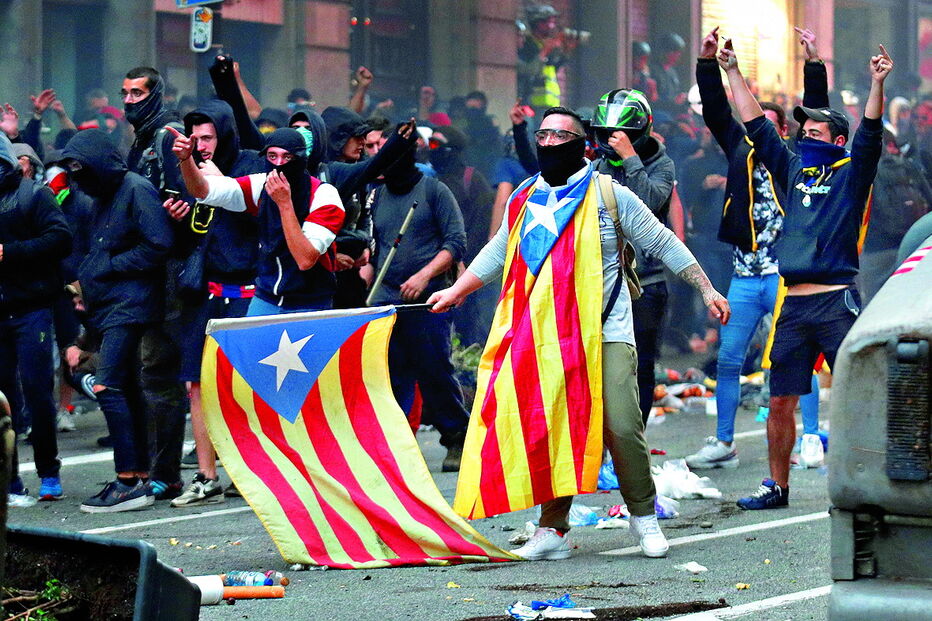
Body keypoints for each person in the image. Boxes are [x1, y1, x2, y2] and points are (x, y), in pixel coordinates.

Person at [427, 107, 730, 559]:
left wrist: (706, 288)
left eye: (559, 136)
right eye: (542, 135)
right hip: (547, 335)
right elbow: (498, 251)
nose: (548, 143)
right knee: (552, 426)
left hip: (606, 329)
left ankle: (643, 517)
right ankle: (553, 529)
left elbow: (662, 240)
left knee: (622, 425)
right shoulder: (526, 198)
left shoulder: (608, 194)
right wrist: (457, 289)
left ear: (582, 145)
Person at [719, 37, 891, 509]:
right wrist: (732, 70)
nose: (805, 134)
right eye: (803, 129)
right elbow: (756, 124)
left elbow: (871, 131)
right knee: (779, 401)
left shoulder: (852, 174)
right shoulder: (791, 171)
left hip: (837, 302)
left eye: (815, 129)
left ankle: (872, 484)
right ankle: (777, 486)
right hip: (793, 304)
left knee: (860, 397)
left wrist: (877, 81)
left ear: (837, 141)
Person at [685, 26, 829, 470]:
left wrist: (813, 65)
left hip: (786, 276)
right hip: (745, 275)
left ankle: (809, 438)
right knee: (728, 359)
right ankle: (724, 441)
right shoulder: (737, 151)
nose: (756, 130)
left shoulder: (793, 159)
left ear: (784, 130)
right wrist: (708, 64)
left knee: (793, 361)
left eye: (767, 125)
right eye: (753, 124)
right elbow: (715, 110)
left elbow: (817, 110)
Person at [61, 129, 175, 512]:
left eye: (81, 165)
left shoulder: (134, 188)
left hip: (131, 303)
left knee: (109, 386)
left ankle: (129, 480)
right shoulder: (100, 196)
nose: (77, 174)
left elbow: (158, 243)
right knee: (124, 388)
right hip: (109, 305)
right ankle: (139, 477)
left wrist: (111, 266)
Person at [166, 100, 265, 507]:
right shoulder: (188, 169)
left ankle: (253, 470)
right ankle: (206, 477)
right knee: (197, 384)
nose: (201, 145)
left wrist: (217, 180)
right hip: (205, 292)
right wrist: (181, 215)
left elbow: (255, 219)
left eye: (208, 137)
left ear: (223, 135)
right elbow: (196, 232)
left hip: (247, 293)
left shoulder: (251, 166)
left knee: (245, 386)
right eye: (195, 138)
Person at [367, 131, 469, 472]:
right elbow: (377, 242)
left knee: (435, 370)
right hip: (386, 301)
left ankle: (456, 437)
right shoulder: (377, 196)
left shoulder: (434, 191)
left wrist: (424, 276)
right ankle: (396, 446)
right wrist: (368, 266)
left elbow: (456, 242)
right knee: (390, 374)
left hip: (428, 300)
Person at [174, 126, 345, 315]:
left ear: (300, 160)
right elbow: (203, 191)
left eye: (287, 157)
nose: (279, 164)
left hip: (310, 301)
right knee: (248, 343)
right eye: (272, 157)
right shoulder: (261, 185)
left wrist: (284, 204)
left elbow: (305, 259)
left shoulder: (324, 196)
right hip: (266, 295)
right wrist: (186, 159)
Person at [121, 65, 188, 501]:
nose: (129, 100)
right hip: (146, 271)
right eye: (124, 93)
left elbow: (185, 198)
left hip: (171, 273)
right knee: (148, 373)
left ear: (156, 94)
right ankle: (154, 469)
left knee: (160, 373)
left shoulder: (167, 137)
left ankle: (166, 474)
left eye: (137, 92)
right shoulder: (143, 139)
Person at [590, 88, 676, 426]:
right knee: (602, 361)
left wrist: (630, 158)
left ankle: (634, 441)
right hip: (604, 280)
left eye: (621, 136)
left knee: (640, 361)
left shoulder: (662, 164)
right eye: (608, 135)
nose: (612, 141)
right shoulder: (596, 165)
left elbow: (650, 205)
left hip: (647, 283)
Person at [0, 134, 71, 503]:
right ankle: (9, 481)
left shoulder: (34, 194)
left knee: (37, 392)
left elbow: (61, 238)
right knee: (2, 400)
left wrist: (8, 253)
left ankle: (48, 471)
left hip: (32, 310)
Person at [429, 125, 496, 346]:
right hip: (434, 264)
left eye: (437, 144)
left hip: (466, 265)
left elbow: (480, 225)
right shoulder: (431, 179)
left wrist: (464, 262)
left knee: (467, 318)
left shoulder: (472, 180)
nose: (432, 149)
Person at [517, 4, 566, 116]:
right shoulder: (527, 45)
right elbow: (529, 71)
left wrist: (565, 52)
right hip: (532, 103)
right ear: (538, 23)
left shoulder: (544, 44)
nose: (552, 27)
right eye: (549, 22)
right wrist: (545, 51)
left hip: (549, 103)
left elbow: (552, 69)